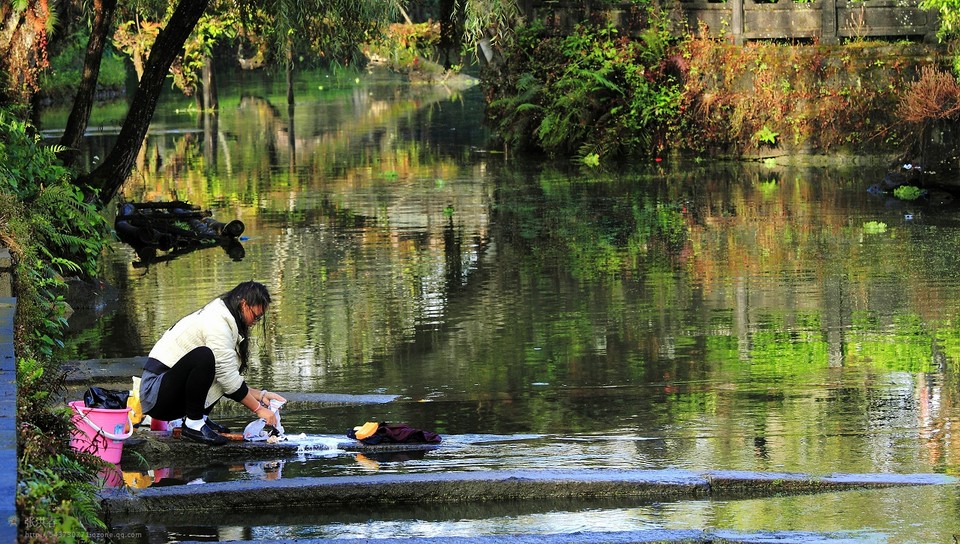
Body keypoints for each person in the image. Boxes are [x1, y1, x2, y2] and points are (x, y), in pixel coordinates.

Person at [139, 281, 287, 445]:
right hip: (155, 393)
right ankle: (193, 423)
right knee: (205, 356)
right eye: (256, 316)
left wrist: (262, 396)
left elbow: (227, 377)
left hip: (169, 390)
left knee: (217, 363)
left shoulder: (227, 320)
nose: (256, 321)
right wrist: (260, 410)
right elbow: (227, 377)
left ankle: (199, 418)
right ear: (244, 304)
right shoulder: (217, 321)